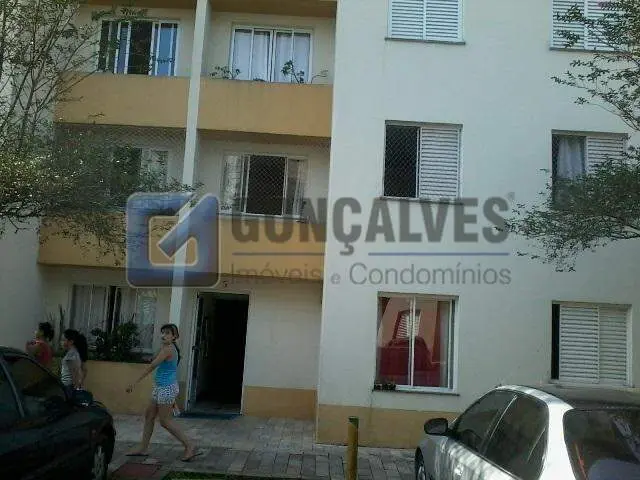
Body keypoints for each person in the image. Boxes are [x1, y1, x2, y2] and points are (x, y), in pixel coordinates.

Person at [125, 323, 199, 462]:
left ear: (174, 337)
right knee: (149, 416)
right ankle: (143, 448)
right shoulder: (165, 348)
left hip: (166, 388)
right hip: (159, 387)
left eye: (167, 333)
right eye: (163, 333)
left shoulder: (168, 350)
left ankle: (190, 446)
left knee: (165, 421)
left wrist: (134, 382)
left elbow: (152, 366)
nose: (164, 335)